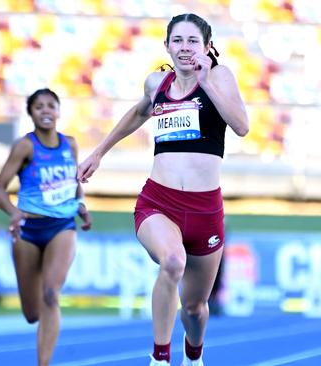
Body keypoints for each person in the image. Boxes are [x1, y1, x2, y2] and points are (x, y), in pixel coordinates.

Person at [78, 13, 248, 366]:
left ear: (207, 47)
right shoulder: (157, 83)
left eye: (193, 41)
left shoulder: (219, 77)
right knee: (172, 261)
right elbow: (139, 113)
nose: (185, 48)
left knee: (195, 308)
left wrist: (208, 83)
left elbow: (242, 126)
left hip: (205, 210)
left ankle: (194, 352)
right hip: (159, 201)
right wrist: (98, 152)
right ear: (167, 46)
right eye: (178, 41)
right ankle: (159, 358)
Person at [0, 88, 92, 366]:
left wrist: (81, 205)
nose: (46, 111)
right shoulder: (25, 146)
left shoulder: (69, 144)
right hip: (28, 231)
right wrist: (13, 213)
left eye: (51, 105)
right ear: (31, 114)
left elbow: (74, 182)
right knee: (32, 312)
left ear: (59, 111)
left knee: (51, 293)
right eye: (39, 107)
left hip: (62, 226)